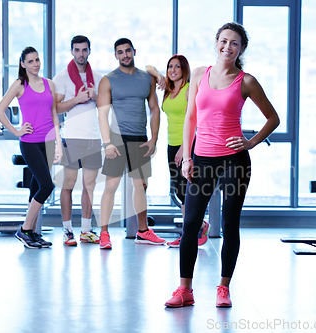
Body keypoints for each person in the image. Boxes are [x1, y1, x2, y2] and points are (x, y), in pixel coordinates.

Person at [165, 22, 280, 307]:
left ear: (241, 49)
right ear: (216, 42)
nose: (227, 47)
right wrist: (187, 156)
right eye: (224, 41)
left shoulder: (246, 81)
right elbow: (191, 117)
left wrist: (250, 142)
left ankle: (224, 288)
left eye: (234, 43)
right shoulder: (200, 74)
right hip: (202, 158)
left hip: (234, 161)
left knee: (230, 224)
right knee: (190, 223)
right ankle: (185, 290)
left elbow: (273, 118)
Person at [97, 38, 166, 250]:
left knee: (141, 186)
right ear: (115, 55)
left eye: (128, 51)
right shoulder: (108, 80)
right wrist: (107, 143)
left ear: (134, 51)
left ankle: (143, 231)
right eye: (120, 52)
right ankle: (104, 233)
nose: (125, 55)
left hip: (139, 138)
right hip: (116, 139)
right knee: (111, 185)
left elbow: (154, 109)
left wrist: (154, 138)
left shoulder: (147, 79)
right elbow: (102, 114)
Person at [0, 46, 63, 249]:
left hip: (48, 142)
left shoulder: (49, 84)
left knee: (35, 189)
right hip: (30, 143)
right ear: (23, 64)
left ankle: (32, 233)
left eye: (37, 60)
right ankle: (24, 230)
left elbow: (54, 116)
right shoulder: (19, 85)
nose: (35, 64)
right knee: (47, 186)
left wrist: (58, 143)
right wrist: (16, 131)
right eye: (31, 61)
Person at [146, 56, 210, 248]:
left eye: (177, 66)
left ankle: (190, 233)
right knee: (180, 191)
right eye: (170, 66)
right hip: (172, 145)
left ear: (184, 69)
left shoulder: (189, 89)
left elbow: (197, 120)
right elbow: (148, 67)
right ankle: (194, 228)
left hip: (187, 145)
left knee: (188, 190)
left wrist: (185, 148)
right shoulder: (168, 88)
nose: (173, 70)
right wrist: (158, 75)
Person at [53, 35, 103, 246]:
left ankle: (85, 230)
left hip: (93, 137)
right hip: (71, 137)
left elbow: (105, 107)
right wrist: (77, 99)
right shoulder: (62, 77)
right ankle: (67, 231)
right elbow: (55, 108)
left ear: (89, 51)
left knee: (89, 186)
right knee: (68, 185)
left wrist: (95, 96)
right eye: (77, 50)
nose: (81, 53)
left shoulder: (99, 78)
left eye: (84, 50)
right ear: (72, 51)